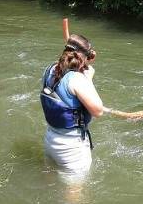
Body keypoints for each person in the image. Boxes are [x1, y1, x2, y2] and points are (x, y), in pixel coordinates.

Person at [40, 34, 105, 181]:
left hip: (50, 139)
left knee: (48, 186)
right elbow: (98, 111)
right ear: (85, 57)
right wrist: (88, 79)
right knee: (73, 202)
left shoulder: (50, 69)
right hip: (71, 148)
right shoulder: (77, 79)